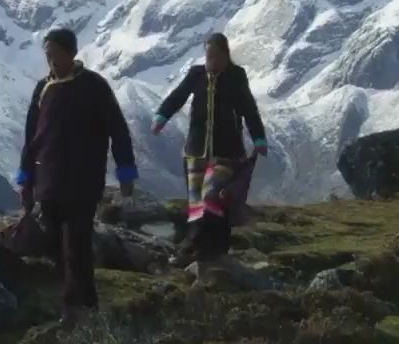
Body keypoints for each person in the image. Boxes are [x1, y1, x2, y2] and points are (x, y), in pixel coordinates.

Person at [16, 28, 138, 326]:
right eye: (47, 55)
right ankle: (82, 303)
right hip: (49, 181)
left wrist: (125, 172)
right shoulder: (43, 88)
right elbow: (32, 135)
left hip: (83, 181)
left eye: (55, 54)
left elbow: (118, 130)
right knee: (56, 245)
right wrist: (26, 176)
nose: (51, 61)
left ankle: (76, 308)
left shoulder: (94, 87)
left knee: (77, 243)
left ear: (71, 53)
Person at [151, 32, 267, 285]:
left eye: (215, 56)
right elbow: (178, 96)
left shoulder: (236, 76)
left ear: (226, 56)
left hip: (227, 151)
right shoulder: (196, 75)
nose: (211, 61)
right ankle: (202, 250)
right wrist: (161, 117)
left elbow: (248, 108)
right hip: (196, 149)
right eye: (208, 56)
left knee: (212, 195)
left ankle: (208, 247)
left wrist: (259, 138)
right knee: (196, 204)